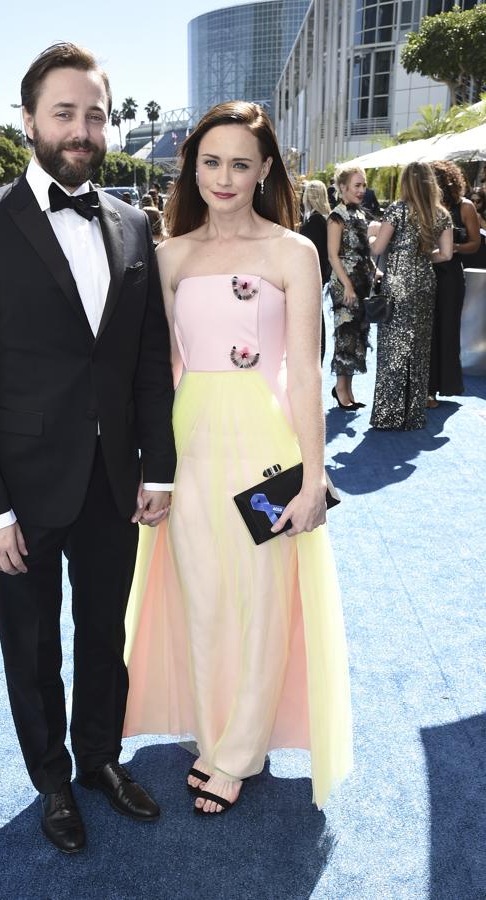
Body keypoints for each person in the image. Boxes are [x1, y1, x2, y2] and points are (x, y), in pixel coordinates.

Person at [0, 42, 176, 855]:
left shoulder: (134, 223)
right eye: (65, 112)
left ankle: (101, 759)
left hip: (115, 480)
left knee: (103, 635)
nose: (81, 129)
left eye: (95, 114)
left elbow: (146, 361)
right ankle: (50, 781)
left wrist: (161, 468)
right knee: (32, 648)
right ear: (30, 119)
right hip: (22, 491)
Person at [123, 101, 353, 815]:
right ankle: (210, 725)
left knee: (260, 598)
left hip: (265, 447)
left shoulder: (293, 252)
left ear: (263, 172)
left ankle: (239, 751)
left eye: (240, 164)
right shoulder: (169, 256)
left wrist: (315, 477)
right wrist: (149, 469)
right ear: (193, 167)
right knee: (200, 594)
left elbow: (308, 373)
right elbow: (160, 370)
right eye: (211, 161)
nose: (224, 177)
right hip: (188, 443)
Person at [368, 162, 453, 430]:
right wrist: (424, 256)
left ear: (407, 182)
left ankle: (388, 414)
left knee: (393, 347)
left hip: (398, 284)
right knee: (419, 348)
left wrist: (371, 236)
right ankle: (412, 414)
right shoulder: (441, 214)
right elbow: (447, 255)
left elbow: (378, 247)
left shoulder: (398, 209)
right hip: (425, 283)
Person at [427, 161, 482, 406]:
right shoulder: (427, 207)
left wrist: (452, 247)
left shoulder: (465, 207)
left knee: (448, 329)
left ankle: (445, 385)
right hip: (425, 272)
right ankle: (426, 388)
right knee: (426, 330)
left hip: (450, 275)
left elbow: (475, 243)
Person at [327, 165, 374, 409]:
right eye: (357, 185)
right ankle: (340, 389)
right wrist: (347, 285)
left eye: (363, 185)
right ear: (342, 188)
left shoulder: (360, 214)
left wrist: (376, 270)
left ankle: (348, 390)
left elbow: (364, 251)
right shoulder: (337, 216)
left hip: (362, 282)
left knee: (358, 336)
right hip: (344, 283)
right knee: (345, 335)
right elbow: (333, 256)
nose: (362, 190)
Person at [299, 180, 332, 362]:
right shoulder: (323, 219)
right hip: (319, 276)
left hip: (313, 276)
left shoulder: (315, 221)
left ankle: (316, 354)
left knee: (313, 317)